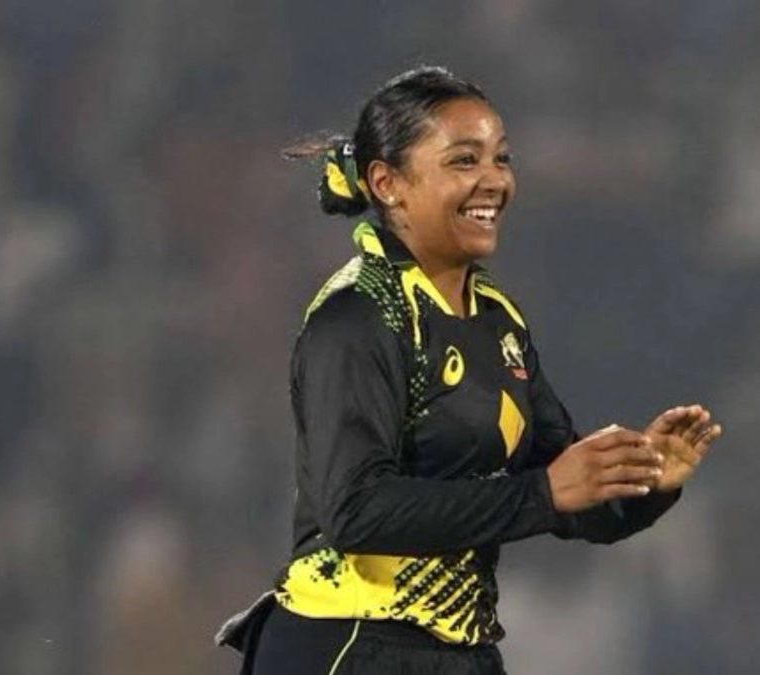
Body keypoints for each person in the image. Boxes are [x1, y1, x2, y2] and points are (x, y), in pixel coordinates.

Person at [215, 66, 722, 675]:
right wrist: (542, 492)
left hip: (460, 651)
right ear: (388, 183)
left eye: (501, 159)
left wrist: (646, 481)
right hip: (346, 644)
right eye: (464, 161)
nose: (494, 181)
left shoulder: (498, 321)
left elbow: (565, 489)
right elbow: (355, 510)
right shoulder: (358, 316)